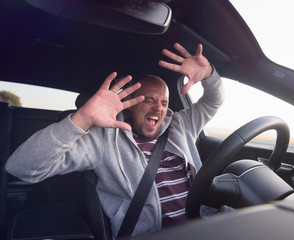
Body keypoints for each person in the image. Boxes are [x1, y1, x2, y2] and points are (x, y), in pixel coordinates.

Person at [5, 43, 224, 238]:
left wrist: (210, 76)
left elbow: (213, 101)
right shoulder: (103, 140)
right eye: (148, 100)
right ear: (129, 103)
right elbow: (22, 167)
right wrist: (82, 118)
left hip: (204, 227)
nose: (159, 108)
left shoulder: (180, 125)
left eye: (164, 102)